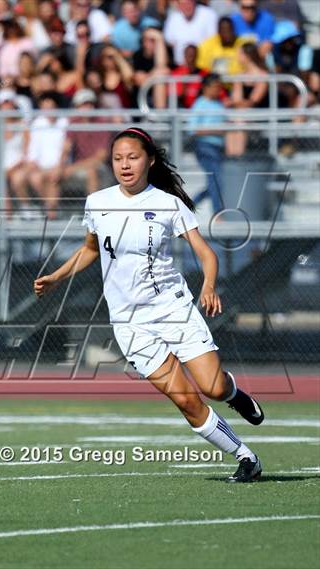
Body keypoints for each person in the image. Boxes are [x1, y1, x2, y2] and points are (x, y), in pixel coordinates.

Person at [34, 126, 265, 483]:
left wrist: (208, 285)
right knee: (187, 401)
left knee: (213, 388)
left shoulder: (168, 204)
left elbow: (205, 254)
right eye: (118, 158)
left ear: (150, 160)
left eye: (133, 157)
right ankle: (245, 456)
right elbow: (90, 250)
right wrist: (56, 276)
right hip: (129, 323)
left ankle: (233, 393)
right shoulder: (98, 202)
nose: (125, 165)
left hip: (174, 310)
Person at [189, 73, 226, 214]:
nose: (219, 90)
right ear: (206, 87)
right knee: (216, 180)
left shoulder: (219, 104)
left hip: (219, 147)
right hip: (205, 146)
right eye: (216, 87)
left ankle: (191, 204)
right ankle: (218, 213)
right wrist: (216, 131)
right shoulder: (200, 104)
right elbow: (192, 130)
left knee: (215, 181)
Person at [226, 42, 269, 156]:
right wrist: (239, 82)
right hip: (242, 113)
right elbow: (237, 100)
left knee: (240, 121)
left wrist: (234, 103)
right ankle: (231, 157)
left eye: (240, 54)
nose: (237, 57)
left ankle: (238, 156)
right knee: (233, 121)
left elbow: (253, 101)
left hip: (259, 114)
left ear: (248, 56)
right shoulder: (240, 75)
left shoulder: (263, 75)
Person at [163, 0, 218, 65]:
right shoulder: (173, 17)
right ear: (178, 5)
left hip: (204, 65)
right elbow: (169, 41)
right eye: (183, 4)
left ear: (194, 2)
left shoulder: (209, 14)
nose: (187, 7)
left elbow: (213, 40)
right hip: (180, 65)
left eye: (189, 3)